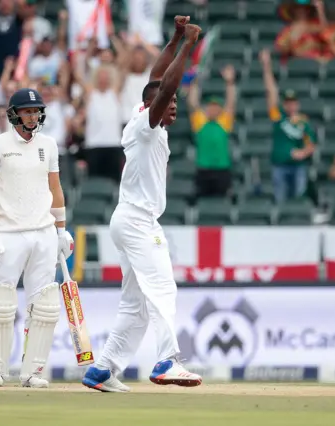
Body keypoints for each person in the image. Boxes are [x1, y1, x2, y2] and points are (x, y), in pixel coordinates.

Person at [82, 17, 203, 393]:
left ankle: (102, 371)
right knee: (163, 289)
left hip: (131, 218)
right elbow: (164, 84)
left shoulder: (141, 115)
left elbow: (157, 75)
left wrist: (175, 38)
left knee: (135, 307)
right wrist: (190, 46)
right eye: (169, 103)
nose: (174, 108)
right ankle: (167, 360)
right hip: (138, 222)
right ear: (152, 104)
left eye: (175, 103)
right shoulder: (146, 125)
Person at [0, 88, 73, 388]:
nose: (33, 116)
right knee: (1, 303)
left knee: (43, 306)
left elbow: (55, 189)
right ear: (14, 113)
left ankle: (34, 372)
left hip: (43, 233)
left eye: (36, 111)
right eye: (27, 111)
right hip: (8, 233)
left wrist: (61, 229)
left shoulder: (49, 145)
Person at [261, 49, 315, 203]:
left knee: (299, 199)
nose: (291, 105)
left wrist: (303, 153)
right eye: (288, 102)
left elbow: (311, 144)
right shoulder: (279, 117)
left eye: (293, 102)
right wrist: (266, 66)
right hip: (279, 165)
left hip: (298, 167)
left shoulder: (303, 123)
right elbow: (271, 91)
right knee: (280, 200)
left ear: (297, 104)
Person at [187, 65, 237, 199]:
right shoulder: (200, 122)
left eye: (216, 107)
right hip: (203, 169)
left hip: (222, 169)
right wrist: (195, 81)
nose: (213, 109)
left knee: (223, 203)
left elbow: (231, 103)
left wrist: (229, 82)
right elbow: (192, 102)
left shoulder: (224, 122)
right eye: (210, 106)